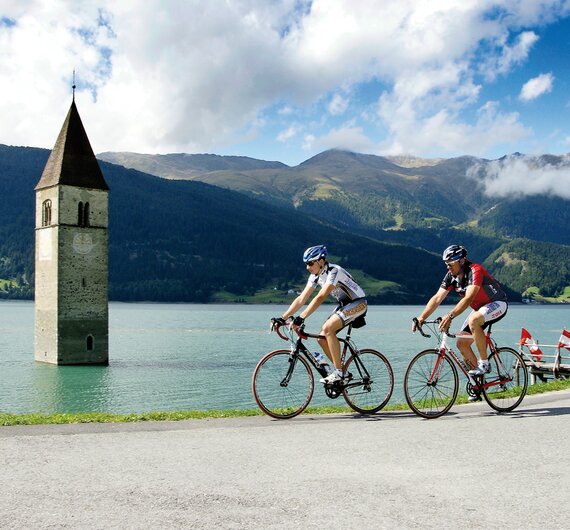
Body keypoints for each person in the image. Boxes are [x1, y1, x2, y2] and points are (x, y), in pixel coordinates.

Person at [413, 244, 508, 380]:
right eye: (446, 264)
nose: (448, 267)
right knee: (461, 343)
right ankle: (478, 384)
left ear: (461, 261)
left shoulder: (475, 270)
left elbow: (469, 298)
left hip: (497, 303)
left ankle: (484, 363)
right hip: (480, 309)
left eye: (451, 263)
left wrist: (450, 316)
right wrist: (421, 318)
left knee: (474, 320)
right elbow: (437, 298)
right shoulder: (451, 276)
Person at [279, 245, 367, 384]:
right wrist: (282, 318)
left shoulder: (334, 271)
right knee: (321, 338)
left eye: (310, 263)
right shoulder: (315, 276)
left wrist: (301, 317)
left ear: (320, 261)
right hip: (344, 306)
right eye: (306, 264)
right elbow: (302, 298)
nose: (307, 267)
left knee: (328, 329)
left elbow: (320, 296)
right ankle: (343, 372)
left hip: (358, 303)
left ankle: (338, 373)